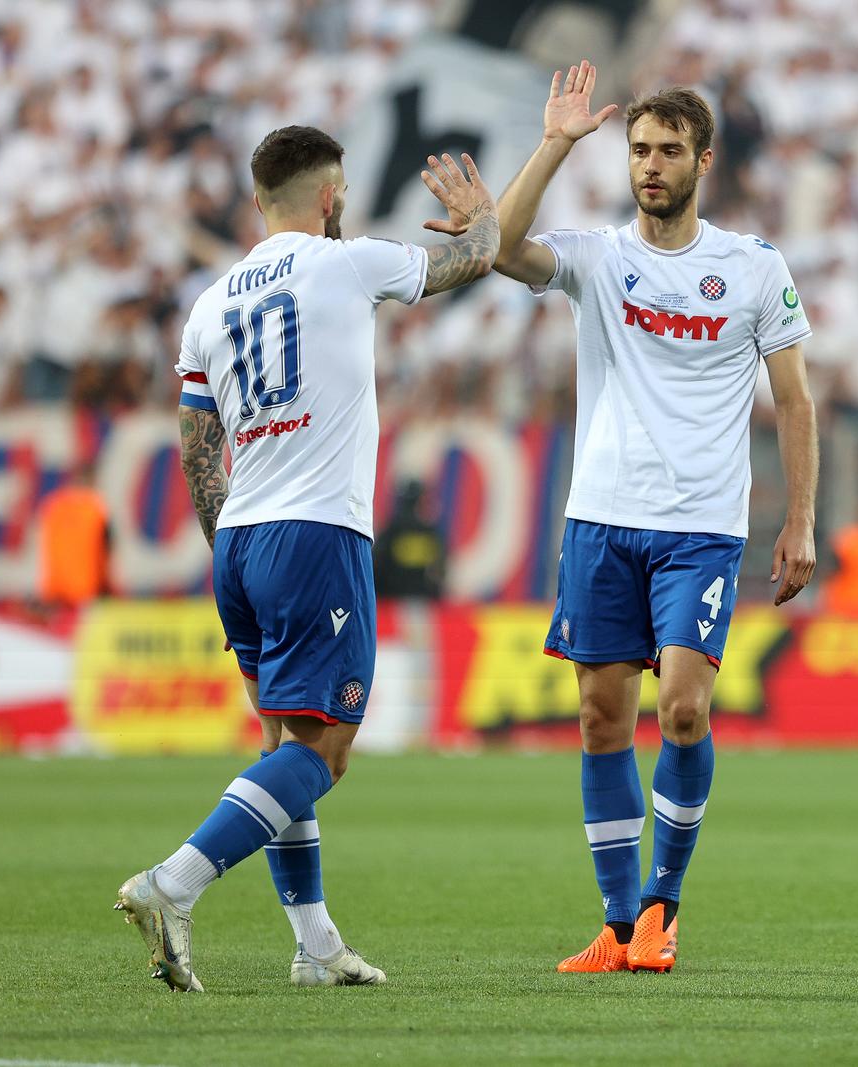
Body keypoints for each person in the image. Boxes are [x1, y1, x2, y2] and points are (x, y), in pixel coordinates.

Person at [114, 126, 500, 992]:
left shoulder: (210, 304)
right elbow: (473, 259)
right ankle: (171, 884)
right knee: (323, 751)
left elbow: (196, 445)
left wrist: (231, 557)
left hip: (241, 539)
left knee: (282, 740)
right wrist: (481, 218)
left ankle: (315, 945)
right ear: (331, 197)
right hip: (318, 532)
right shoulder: (347, 262)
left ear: (258, 199)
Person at [492, 63, 819, 973]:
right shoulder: (599, 258)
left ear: (701, 161)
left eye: (668, 150)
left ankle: (663, 908)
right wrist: (556, 143)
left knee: (681, 709)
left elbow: (793, 401)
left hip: (701, 528)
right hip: (599, 519)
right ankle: (616, 918)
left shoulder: (752, 269)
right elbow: (499, 244)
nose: (650, 165)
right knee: (602, 717)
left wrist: (801, 519)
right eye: (639, 149)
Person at [36, 464, 111, 606]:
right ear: (92, 480)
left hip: (55, 589)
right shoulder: (94, 508)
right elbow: (105, 549)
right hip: (86, 589)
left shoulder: (53, 505)